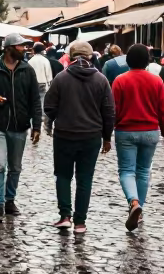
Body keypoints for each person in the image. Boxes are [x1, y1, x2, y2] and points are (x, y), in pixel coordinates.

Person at [43, 40, 114, 234]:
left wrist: (59, 117)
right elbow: (109, 111)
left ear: (71, 56)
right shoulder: (100, 80)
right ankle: (80, 222)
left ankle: (65, 216)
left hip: (65, 135)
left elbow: (49, 106)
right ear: (91, 57)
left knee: (63, 176)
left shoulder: (61, 78)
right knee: (85, 179)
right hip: (91, 137)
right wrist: (107, 137)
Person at [0, 32, 42, 224]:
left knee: (15, 167)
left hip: (19, 126)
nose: (24, 48)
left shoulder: (27, 70)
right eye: (20, 46)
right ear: (10, 48)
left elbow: (35, 101)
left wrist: (36, 126)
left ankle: (10, 200)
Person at [111, 44, 164, 231]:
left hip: (126, 131)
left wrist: (106, 133)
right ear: (148, 60)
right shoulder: (156, 81)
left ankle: (133, 202)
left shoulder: (120, 80)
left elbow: (113, 110)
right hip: (150, 131)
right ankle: (140, 210)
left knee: (126, 170)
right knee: (144, 171)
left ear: (127, 60)